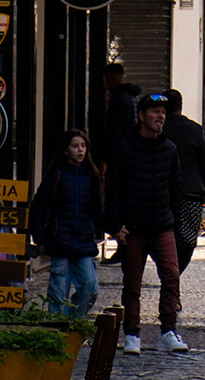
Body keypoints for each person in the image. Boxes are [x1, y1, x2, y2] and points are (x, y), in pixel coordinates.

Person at [107, 91, 185, 357]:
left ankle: (168, 331)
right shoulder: (125, 147)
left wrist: (172, 219)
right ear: (141, 116)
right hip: (134, 228)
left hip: (162, 225)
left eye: (162, 112)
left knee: (171, 276)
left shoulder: (170, 149)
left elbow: (176, 188)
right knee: (133, 284)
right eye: (154, 112)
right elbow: (113, 188)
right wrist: (116, 224)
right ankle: (131, 334)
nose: (160, 116)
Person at [31, 127, 104, 318]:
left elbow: (97, 208)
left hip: (84, 241)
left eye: (83, 146)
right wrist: (40, 239)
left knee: (90, 286)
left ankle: (74, 321)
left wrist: (105, 228)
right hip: (60, 243)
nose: (80, 150)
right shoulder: (56, 175)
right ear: (66, 150)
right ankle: (56, 331)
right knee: (58, 293)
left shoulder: (91, 176)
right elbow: (38, 206)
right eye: (75, 146)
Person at [163, 90, 205, 273]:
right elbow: (203, 162)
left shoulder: (160, 129)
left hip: (163, 193)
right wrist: (202, 190)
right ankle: (174, 276)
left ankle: (168, 276)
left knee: (164, 237)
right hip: (190, 192)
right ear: (181, 106)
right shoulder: (195, 129)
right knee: (188, 239)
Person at [100, 61, 139, 170]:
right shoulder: (133, 97)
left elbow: (114, 130)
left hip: (118, 155)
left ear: (110, 79)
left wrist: (107, 157)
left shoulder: (118, 99)